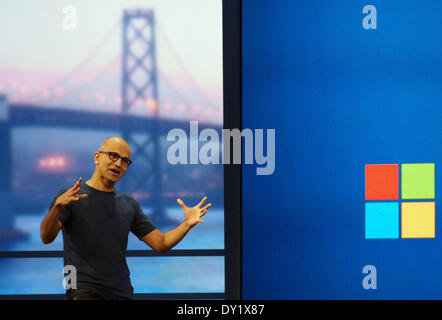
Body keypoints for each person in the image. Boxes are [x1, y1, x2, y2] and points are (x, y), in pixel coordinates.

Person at [40, 137, 211, 300]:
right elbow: (46, 237)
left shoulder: (129, 204)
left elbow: (161, 243)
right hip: (83, 290)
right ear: (97, 157)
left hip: (122, 291)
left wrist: (187, 224)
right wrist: (57, 207)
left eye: (125, 161)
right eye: (113, 156)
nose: (118, 164)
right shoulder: (69, 197)